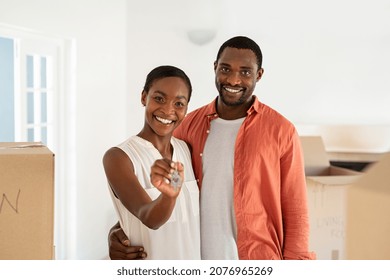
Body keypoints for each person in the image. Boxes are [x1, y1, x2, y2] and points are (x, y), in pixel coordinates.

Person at [108, 36, 316, 260]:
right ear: (215, 68)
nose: (234, 80)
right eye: (225, 68)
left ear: (259, 75)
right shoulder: (187, 126)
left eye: (245, 72)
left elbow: (296, 211)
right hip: (196, 258)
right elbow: (167, 191)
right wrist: (120, 229)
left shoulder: (281, 131)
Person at [103, 65, 201, 260]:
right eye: (159, 98)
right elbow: (149, 218)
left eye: (179, 104)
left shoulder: (186, 150)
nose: (167, 110)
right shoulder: (119, 157)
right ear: (143, 97)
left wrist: (118, 227)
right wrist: (169, 195)